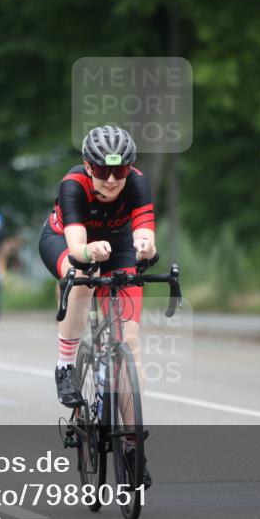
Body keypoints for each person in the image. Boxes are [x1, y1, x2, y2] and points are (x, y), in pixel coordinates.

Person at [38, 125, 156, 481]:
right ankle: (65, 365)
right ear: (88, 167)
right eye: (102, 170)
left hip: (118, 245)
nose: (110, 179)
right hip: (67, 242)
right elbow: (76, 246)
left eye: (118, 171)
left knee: (130, 345)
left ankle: (133, 445)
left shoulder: (137, 183)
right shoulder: (72, 185)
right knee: (83, 278)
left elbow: (145, 232)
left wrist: (146, 246)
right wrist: (88, 252)